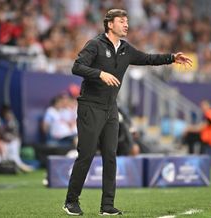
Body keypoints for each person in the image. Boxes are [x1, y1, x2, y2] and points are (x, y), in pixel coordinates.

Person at [63, 9, 192, 216]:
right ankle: (71, 201)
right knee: (86, 154)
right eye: (122, 21)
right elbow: (76, 67)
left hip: (111, 108)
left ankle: (107, 206)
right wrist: (100, 74)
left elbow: (147, 58)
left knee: (111, 156)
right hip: (90, 106)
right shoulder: (95, 44)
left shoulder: (125, 49)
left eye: (127, 21)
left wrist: (171, 58)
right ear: (110, 24)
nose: (126, 25)